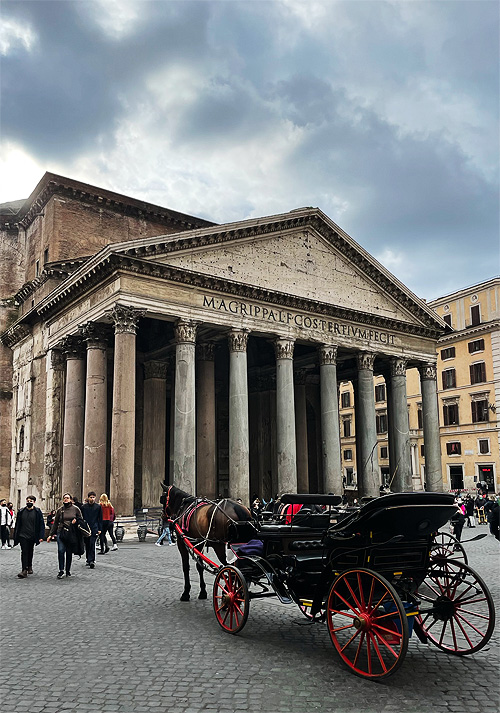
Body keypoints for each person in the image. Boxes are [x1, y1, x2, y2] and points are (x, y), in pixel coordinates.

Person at [47, 493, 82, 578]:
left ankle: (68, 570)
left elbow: (81, 520)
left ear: (70, 499)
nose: (66, 499)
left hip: (71, 533)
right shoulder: (60, 510)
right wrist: (50, 534)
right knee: (61, 550)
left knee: (69, 552)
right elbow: (55, 523)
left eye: (67, 498)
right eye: (64, 498)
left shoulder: (76, 509)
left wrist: (76, 522)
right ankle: (61, 570)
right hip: (61, 532)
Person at [12, 495, 45, 578]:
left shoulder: (37, 512)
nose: (29, 502)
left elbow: (41, 524)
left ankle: (29, 565)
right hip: (23, 535)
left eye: (31, 501)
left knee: (30, 551)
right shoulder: (21, 511)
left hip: (32, 535)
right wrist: (16, 535)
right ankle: (24, 569)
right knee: (24, 551)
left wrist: (41, 536)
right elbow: (18, 524)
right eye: (28, 501)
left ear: (34, 502)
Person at [81, 491, 102, 568]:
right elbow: (81, 518)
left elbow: (100, 518)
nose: (92, 499)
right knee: (87, 544)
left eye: (93, 497)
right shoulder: (84, 507)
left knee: (92, 544)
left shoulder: (98, 507)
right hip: (86, 528)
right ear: (88, 498)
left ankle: (92, 560)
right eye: (91, 497)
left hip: (94, 527)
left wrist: (100, 529)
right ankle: (88, 559)